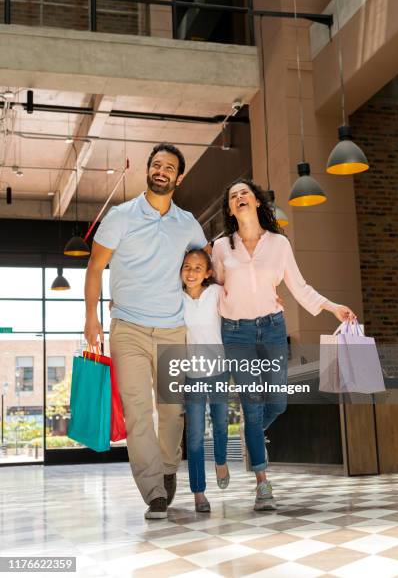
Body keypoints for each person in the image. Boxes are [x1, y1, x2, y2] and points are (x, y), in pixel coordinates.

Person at [212, 178, 356, 511]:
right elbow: (213, 290)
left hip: (272, 329)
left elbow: (300, 286)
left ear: (258, 201)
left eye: (244, 193)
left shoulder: (279, 244)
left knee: (277, 403)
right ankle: (263, 484)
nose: (239, 198)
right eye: (233, 196)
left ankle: (250, 435)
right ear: (230, 209)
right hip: (236, 334)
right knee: (252, 404)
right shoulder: (221, 248)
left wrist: (333, 306)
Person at [84, 143, 208, 520]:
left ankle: (169, 467)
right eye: (156, 165)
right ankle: (153, 490)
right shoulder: (120, 217)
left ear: (178, 177)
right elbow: (94, 268)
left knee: (172, 412)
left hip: (173, 330)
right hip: (129, 330)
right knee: (139, 412)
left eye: (169, 167)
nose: (161, 171)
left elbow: (204, 269)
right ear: (148, 170)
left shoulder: (188, 223)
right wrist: (92, 317)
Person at [181, 249, 230, 512]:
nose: (191, 272)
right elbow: (150, 306)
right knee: (196, 435)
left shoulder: (216, 293)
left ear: (208, 273)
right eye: (187, 267)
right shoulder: (175, 299)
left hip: (220, 370)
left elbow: (241, 302)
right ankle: (199, 492)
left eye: (198, 267)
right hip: (193, 375)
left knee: (221, 424)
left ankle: (221, 460)